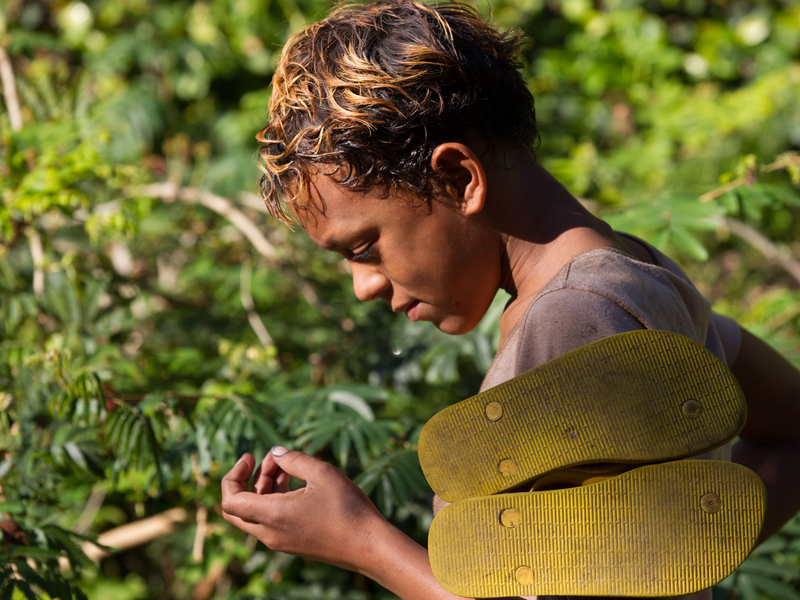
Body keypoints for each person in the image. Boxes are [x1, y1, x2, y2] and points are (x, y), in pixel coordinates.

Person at [220, 1, 800, 598]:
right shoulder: (635, 268)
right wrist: (690, 557)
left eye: (364, 247)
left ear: (459, 180)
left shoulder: (578, 316)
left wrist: (361, 542)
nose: (363, 286)